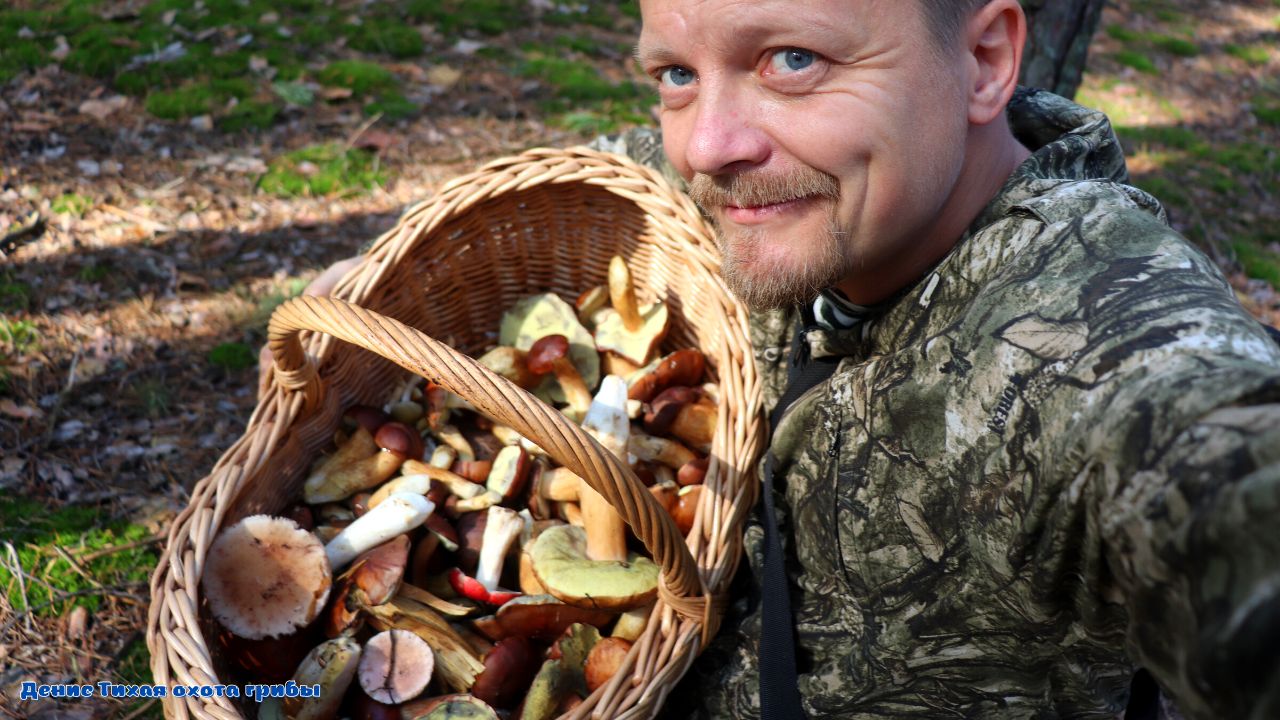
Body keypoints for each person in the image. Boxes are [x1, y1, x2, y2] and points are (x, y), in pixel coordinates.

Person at [287, 1, 1280, 717]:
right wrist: (378, 279)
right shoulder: (764, 191)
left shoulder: (1095, 330)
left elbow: (1213, 470)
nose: (707, 147)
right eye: (676, 72)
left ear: (983, 60)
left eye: (792, 59)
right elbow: (607, 181)